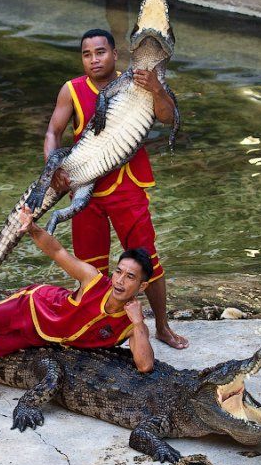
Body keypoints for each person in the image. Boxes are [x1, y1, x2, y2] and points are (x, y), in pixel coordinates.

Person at [43, 28, 188, 350]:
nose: (94, 60)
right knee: (90, 265)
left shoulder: (139, 80)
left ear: (114, 54)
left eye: (100, 52)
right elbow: (53, 132)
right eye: (87, 54)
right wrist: (52, 168)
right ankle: (99, 328)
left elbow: (167, 117)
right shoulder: (71, 90)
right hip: (87, 191)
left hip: (128, 186)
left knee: (147, 260)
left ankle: (162, 326)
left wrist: (156, 90)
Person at [0, 206, 155, 373]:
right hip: (32, 306)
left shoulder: (131, 323)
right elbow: (58, 251)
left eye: (129, 277)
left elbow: (144, 365)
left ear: (141, 286)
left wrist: (139, 323)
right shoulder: (94, 280)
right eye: (118, 271)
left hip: (41, 336)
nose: (119, 280)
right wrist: (33, 228)